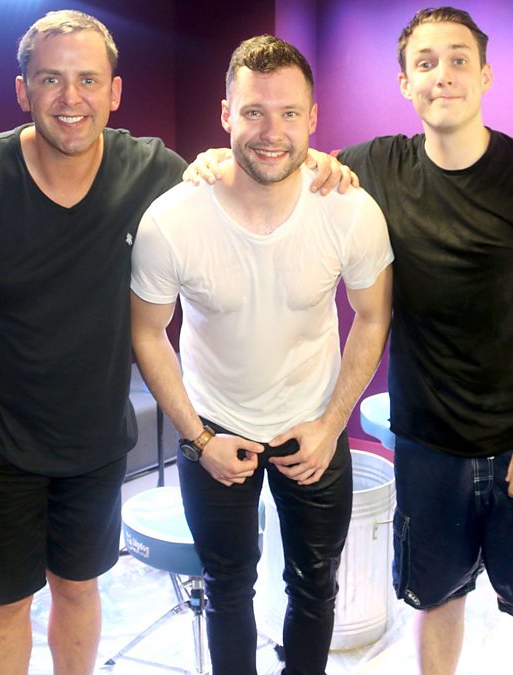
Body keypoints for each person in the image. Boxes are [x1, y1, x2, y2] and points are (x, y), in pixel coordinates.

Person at [187, 7, 513, 674]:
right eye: (425, 63)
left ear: (485, 74)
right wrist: (216, 159)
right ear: (406, 83)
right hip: (427, 443)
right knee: (436, 598)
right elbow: (281, 157)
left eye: (459, 60)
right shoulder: (378, 166)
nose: (443, 75)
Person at [0, 11, 188, 674]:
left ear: (114, 91)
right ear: (23, 90)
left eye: (88, 80)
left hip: (95, 436)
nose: (70, 98)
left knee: (78, 588)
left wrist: (301, 164)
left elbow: (232, 188)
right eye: (50, 79)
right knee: (6, 605)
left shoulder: (151, 169)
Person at [130, 35, 393, 675]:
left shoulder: (349, 210)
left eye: (288, 113)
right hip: (213, 428)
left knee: (314, 584)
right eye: (253, 112)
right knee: (228, 588)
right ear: (226, 114)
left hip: (313, 425)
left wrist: (331, 424)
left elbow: (373, 316)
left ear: (312, 117)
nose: (272, 132)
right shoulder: (172, 220)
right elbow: (147, 333)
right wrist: (197, 439)